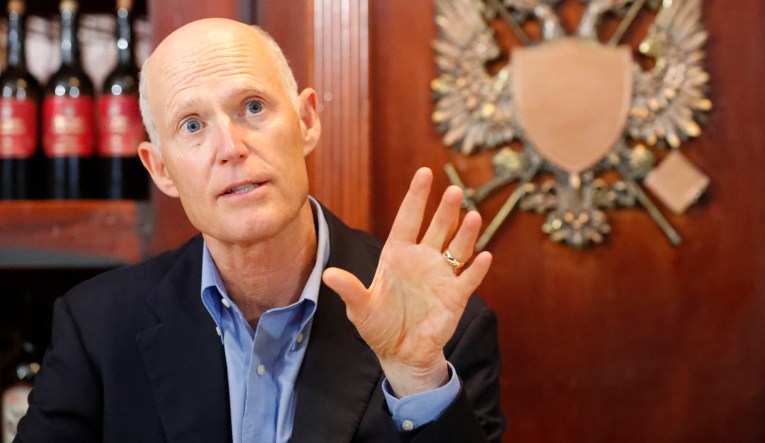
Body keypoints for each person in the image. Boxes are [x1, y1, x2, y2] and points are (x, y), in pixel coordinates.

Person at [15, 18, 504, 443]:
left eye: (252, 107)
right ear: (160, 168)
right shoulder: (96, 327)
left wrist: (417, 377)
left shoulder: (439, 328)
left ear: (306, 120)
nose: (230, 147)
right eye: (192, 125)